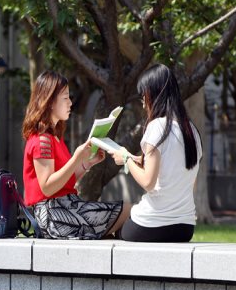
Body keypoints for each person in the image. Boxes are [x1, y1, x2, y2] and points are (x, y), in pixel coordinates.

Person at [22, 71, 129, 239]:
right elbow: (48, 187)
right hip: (54, 216)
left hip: (66, 208)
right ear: (49, 102)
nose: (70, 103)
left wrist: (87, 164)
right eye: (65, 98)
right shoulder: (43, 140)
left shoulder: (55, 138)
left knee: (128, 214)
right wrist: (76, 158)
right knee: (128, 211)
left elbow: (64, 182)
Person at [106, 64, 202, 242]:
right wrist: (138, 160)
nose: (142, 101)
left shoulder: (157, 127)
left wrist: (126, 159)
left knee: (110, 228)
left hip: (152, 224)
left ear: (153, 94)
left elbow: (148, 183)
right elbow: (187, 181)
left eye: (144, 94)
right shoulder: (191, 131)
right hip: (185, 228)